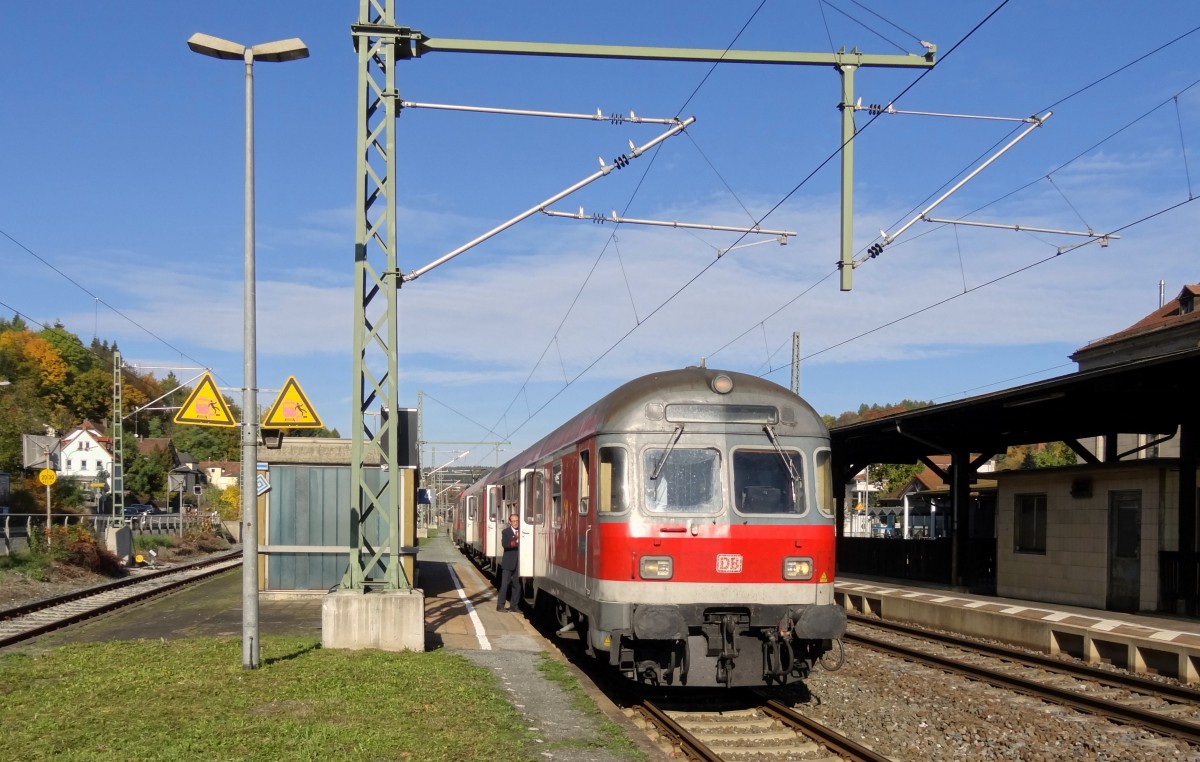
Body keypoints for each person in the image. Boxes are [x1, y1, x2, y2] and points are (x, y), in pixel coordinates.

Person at [497, 513, 521, 612]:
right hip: (508, 562)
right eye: (513, 521)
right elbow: (505, 544)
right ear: (510, 522)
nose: (515, 523)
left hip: (519, 563)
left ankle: (514, 606)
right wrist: (516, 542)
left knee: (517, 585)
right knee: (504, 585)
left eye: (517, 521)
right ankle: (500, 606)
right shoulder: (505, 532)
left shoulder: (523, 531)